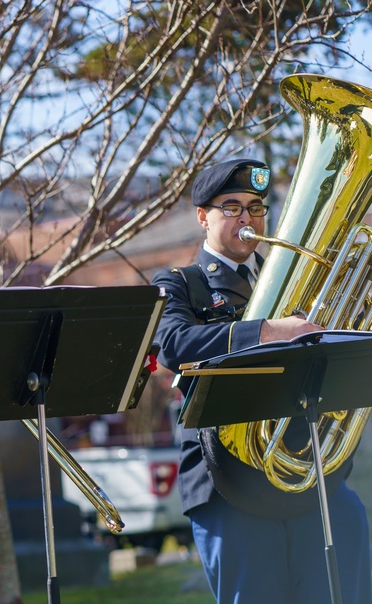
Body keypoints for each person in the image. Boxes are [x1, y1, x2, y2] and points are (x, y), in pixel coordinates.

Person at [151, 158, 372, 604]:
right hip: (227, 482)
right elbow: (173, 343)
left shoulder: (297, 280)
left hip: (310, 474)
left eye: (255, 207)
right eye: (231, 207)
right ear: (202, 217)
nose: (248, 218)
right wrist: (270, 330)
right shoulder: (181, 284)